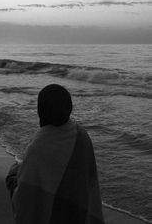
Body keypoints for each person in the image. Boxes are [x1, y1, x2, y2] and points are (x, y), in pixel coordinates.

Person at [6, 84, 105, 224]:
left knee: (12, 175)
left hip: (53, 216)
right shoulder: (81, 135)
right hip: (78, 213)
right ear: (68, 108)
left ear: (41, 111)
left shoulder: (39, 145)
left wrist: (13, 176)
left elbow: (25, 200)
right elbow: (88, 183)